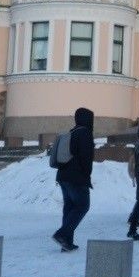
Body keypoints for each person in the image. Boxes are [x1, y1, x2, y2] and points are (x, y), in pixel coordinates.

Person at [52, 107, 94, 252]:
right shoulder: (85, 133)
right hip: (76, 177)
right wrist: (87, 176)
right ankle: (62, 235)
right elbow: (86, 158)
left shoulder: (72, 132)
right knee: (83, 206)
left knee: (69, 208)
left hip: (63, 175)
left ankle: (66, 242)